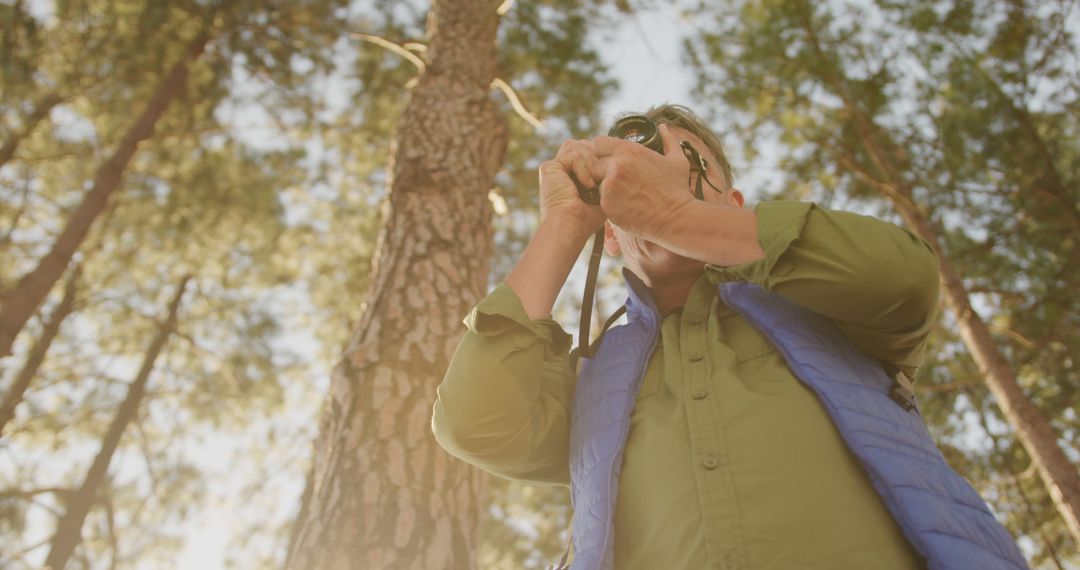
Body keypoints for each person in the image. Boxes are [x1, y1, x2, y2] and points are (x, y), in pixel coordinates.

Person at [431, 105, 1026, 570]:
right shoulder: (592, 381)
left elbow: (904, 279)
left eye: (688, 172)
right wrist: (565, 223)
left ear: (735, 206)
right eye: (634, 185)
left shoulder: (822, 305)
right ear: (611, 237)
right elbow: (475, 425)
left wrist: (672, 217)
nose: (656, 188)